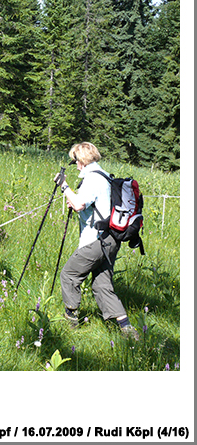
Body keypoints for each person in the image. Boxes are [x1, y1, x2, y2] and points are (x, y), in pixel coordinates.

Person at [53, 142, 139, 340]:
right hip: (111, 240)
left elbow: (79, 204)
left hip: (96, 240)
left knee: (69, 275)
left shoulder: (92, 179)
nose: (74, 164)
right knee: (102, 285)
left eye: (75, 160)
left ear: (81, 160)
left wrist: (64, 186)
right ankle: (128, 330)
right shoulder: (105, 175)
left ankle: (71, 320)